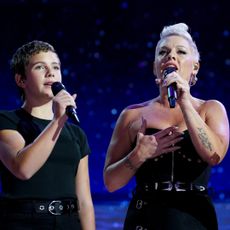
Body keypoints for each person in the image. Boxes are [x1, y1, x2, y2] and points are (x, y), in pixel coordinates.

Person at [103, 23, 229, 229]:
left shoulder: (211, 109)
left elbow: (215, 155)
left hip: (194, 217)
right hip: (146, 217)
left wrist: (185, 103)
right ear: (155, 66)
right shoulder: (132, 114)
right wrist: (138, 156)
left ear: (195, 66)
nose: (170, 57)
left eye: (180, 51)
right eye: (163, 52)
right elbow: (111, 182)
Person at [0, 40, 95, 230]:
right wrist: (58, 121)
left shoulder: (76, 134)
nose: (51, 72)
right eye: (39, 67)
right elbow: (23, 169)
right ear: (21, 80)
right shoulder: (7, 121)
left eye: (55, 67)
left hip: (68, 222)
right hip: (24, 222)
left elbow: (84, 201)